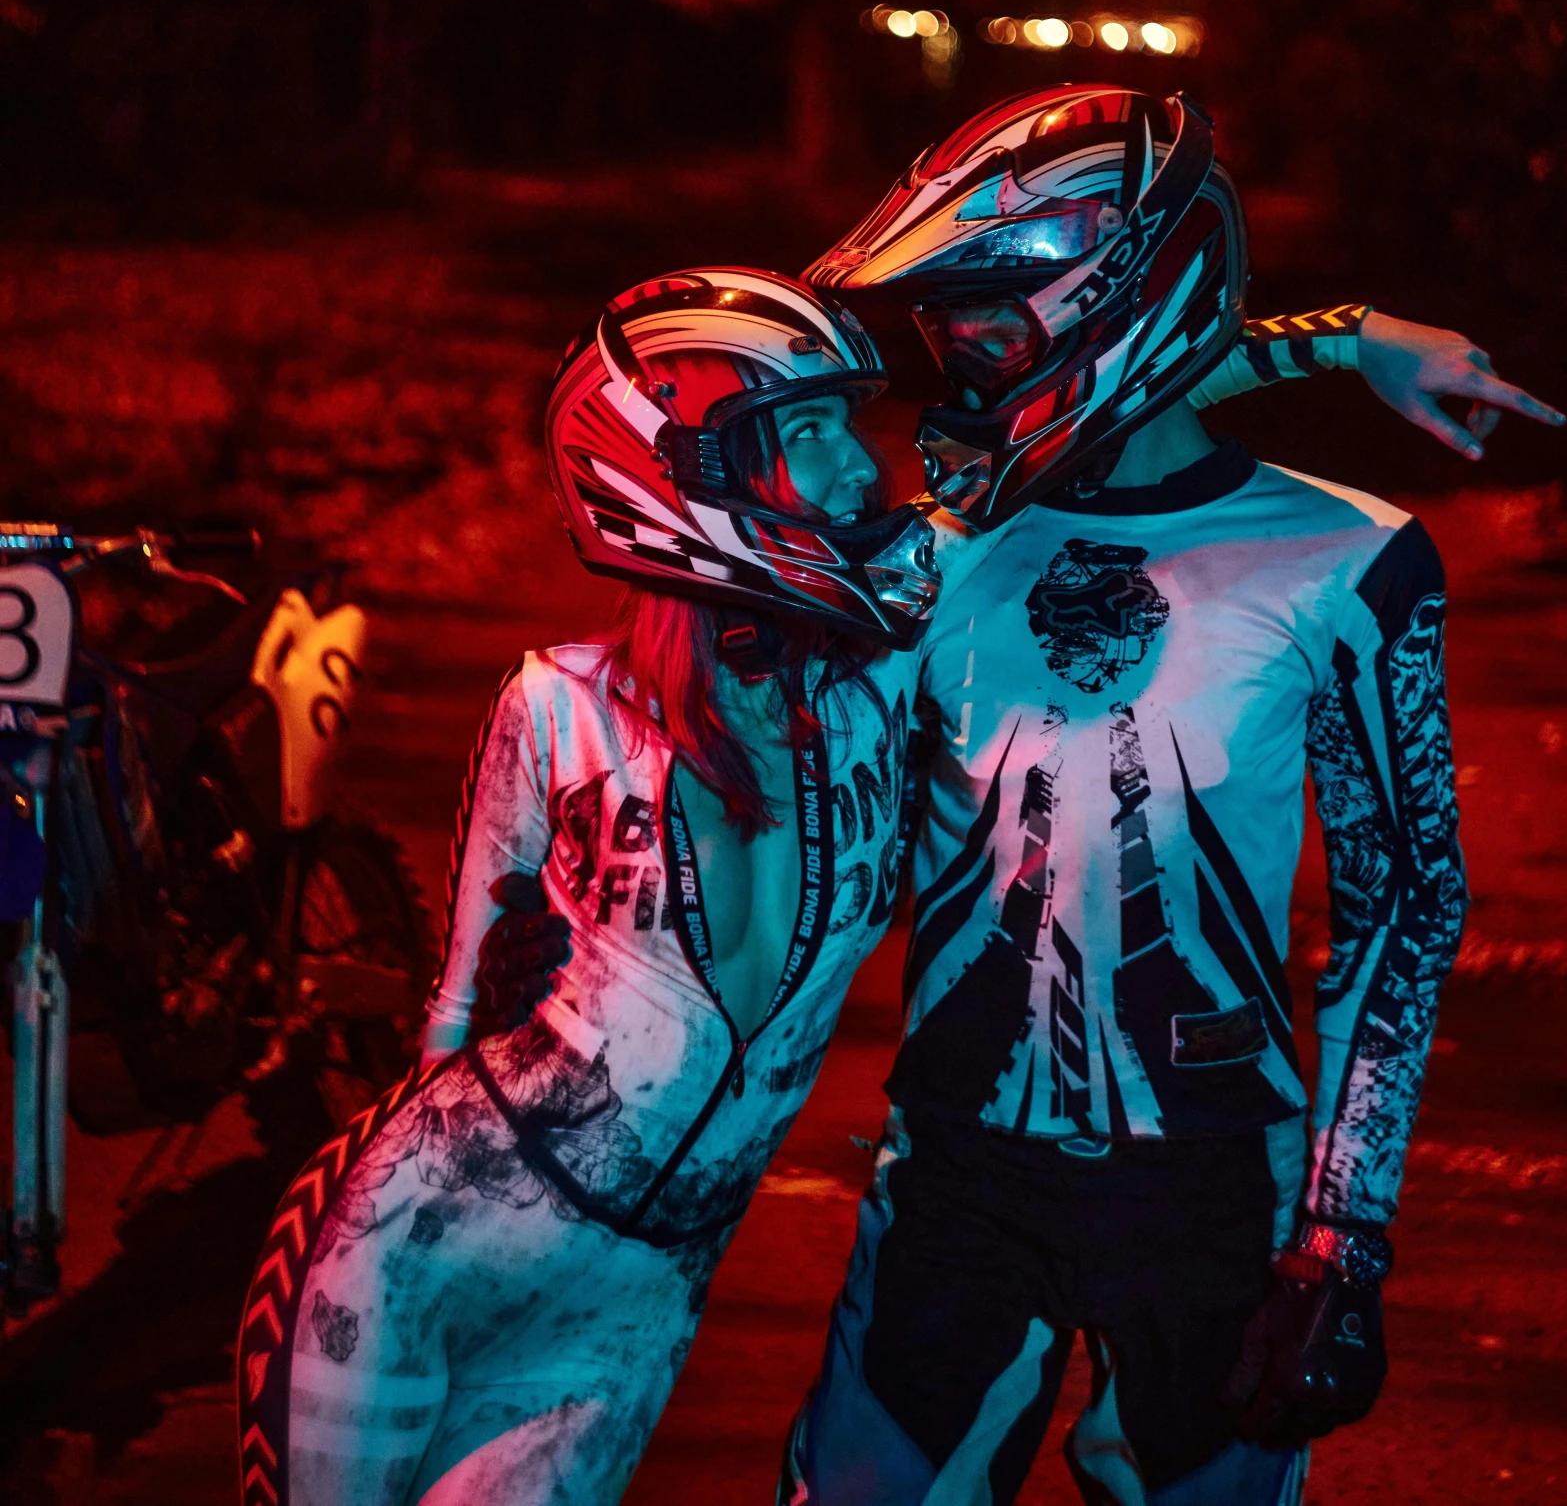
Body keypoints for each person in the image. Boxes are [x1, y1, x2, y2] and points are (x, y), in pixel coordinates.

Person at [776, 84, 1550, 1506]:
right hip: (950, 1174)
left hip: (1213, 1194)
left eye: (986, 322)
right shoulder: (923, 554)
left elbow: (1402, 908)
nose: (951, 362)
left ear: (1106, 297)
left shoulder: (1348, 559)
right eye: (940, 323)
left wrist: (1339, 1233)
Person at [238, 266, 941, 1506]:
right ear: (685, 475)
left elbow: (1079, 430)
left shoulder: (887, 691)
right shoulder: (553, 706)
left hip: (629, 1312)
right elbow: (452, 1010)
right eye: (811, 431)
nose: (862, 468)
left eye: (853, 424)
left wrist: (1334, 345)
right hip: (403, 1254)